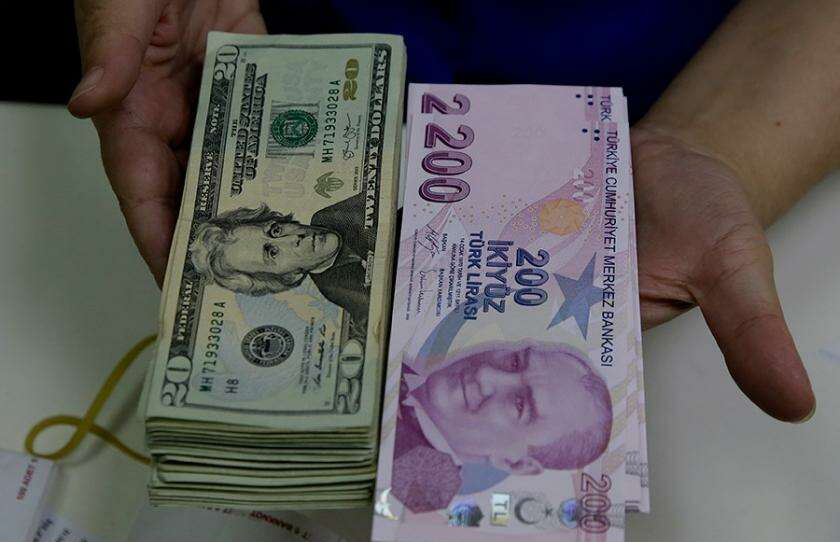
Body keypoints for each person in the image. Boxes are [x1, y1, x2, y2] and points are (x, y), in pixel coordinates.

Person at [67, 0, 836, 424]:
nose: (282, 234)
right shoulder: (340, 296)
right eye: (269, 253)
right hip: (286, 28)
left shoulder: (337, 211)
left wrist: (720, 143)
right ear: (274, 288)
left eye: (264, 227)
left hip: (691, 68)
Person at [390, 342, 612, 513]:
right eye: (515, 362)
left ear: (515, 463)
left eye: (520, 405)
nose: (485, 374)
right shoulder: (397, 356)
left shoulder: (415, 490)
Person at [190, 192, 372, 332]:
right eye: (273, 253)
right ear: (288, 276)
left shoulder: (336, 216)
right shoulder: (335, 289)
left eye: (275, 230)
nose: (294, 238)